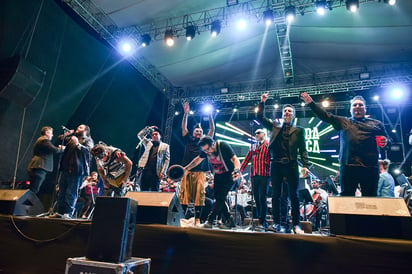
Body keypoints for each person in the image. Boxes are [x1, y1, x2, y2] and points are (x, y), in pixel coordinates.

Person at [301, 92, 389, 197]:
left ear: (365, 108)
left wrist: (386, 141)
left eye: (360, 105)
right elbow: (325, 116)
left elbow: (388, 141)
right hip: (348, 168)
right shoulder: (343, 121)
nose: (357, 107)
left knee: (370, 198)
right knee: (347, 199)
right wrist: (311, 103)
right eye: (354, 105)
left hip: (370, 168)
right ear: (350, 109)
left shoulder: (376, 124)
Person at [257, 93, 309, 234]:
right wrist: (262, 102)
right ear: (282, 114)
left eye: (289, 111)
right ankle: (276, 223)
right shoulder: (275, 126)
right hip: (276, 164)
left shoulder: (299, 130)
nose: (287, 112)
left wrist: (305, 165)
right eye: (285, 111)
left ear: (293, 115)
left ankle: (296, 225)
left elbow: (303, 149)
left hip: (291, 164)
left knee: (294, 196)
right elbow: (260, 117)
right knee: (275, 196)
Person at [184, 136, 242, 229]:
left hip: (230, 174)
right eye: (205, 151)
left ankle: (210, 221)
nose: (207, 152)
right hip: (218, 175)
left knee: (220, 197)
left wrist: (236, 170)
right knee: (218, 197)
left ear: (213, 144)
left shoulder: (222, 146)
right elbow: (197, 161)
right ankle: (229, 220)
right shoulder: (206, 151)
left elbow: (235, 159)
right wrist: (185, 169)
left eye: (208, 149)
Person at [179, 102, 215, 225]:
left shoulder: (204, 142)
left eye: (200, 132)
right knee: (184, 195)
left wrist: (210, 115)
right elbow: (184, 128)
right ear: (193, 132)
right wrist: (185, 114)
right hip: (187, 171)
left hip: (200, 172)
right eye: (196, 131)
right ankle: (182, 218)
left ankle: (198, 219)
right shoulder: (188, 139)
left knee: (200, 196)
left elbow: (212, 129)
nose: (198, 133)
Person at [55, 124, 93, 219]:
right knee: (61, 192)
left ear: (85, 131)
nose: (77, 128)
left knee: (71, 193)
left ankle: (68, 213)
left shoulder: (87, 140)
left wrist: (78, 144)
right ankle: (60, 212)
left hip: (76, 171)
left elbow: (88, 152)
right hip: (65, 169)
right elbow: (59, 140)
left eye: (80, 127)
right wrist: (66, 134)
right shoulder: (72, 138)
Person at [239, 128, 270, 229]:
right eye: (255, 133)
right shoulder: (253, 147)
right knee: (256, 199)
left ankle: (263, 221)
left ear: (264, 134)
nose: (256, 134)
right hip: (254, 175)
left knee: (262, 198)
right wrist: (239, 171)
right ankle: (259, 220)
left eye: (258, 133)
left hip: (264, 175)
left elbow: (272, 160)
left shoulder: (268, 145)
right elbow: (246, 159)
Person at [27, 126, 64, 194]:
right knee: (34, 189)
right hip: (39, 167)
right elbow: (55, 150)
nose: (52, 135)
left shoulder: (42, 140)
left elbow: (52, 148)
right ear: (47, 133)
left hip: (37, 167)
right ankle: (26, 203)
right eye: (51, 133)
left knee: (33, 188)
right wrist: (62, 149)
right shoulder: (44, 140)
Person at [137, 126, 170, 191]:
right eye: (152, 135)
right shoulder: (148, 143)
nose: (154, 136)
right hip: (145, 170)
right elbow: (139, 135)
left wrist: (163, 172)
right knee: (143, 190)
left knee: (154, 191)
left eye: (156, 134)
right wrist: (148, 129)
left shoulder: (165, 146)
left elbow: (167, 160)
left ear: (160, 136)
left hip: (156, 172)